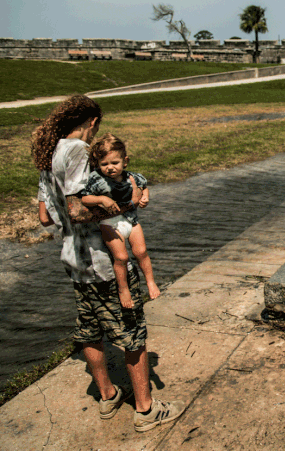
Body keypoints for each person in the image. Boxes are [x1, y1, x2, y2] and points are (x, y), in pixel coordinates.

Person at [32, 95, 184, 433]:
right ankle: (145, 410)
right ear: (91, 123)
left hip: (74, 261)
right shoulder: (75, 152)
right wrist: (121, 207)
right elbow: (76, 209)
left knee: (90, 330)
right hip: (102, 259)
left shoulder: (48, 157)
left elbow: (45, 217)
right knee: (132, 333)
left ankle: (108, 394)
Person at [81, 134, 160, 309]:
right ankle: (123, 289)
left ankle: (151, 282)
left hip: (131, 220)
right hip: (109, 223)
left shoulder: (131, 176)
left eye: (114, 163)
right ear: (98, 164)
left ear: (125, 161)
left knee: (141, 252)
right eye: (104, 164)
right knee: (121, 257)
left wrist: (145, 198)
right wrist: (101, 199)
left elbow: (143, 186)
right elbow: (85, 199)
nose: (110, 168)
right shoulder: (96, 179)